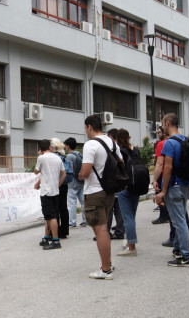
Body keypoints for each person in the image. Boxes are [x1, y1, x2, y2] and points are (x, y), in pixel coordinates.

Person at [79, 115, 121, 279]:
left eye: (85, 128)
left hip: (94, 192)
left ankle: (105, 270)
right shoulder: (112, 142)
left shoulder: (90, 144)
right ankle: (107, 263)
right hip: (109, 191)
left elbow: (85, 171)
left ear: (89, 126)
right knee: (104, 229)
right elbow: (121, 164)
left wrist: (80, 175)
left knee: (101, 230)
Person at [153, 113, 189, 267]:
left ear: (168, 123)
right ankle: (177, 249)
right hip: (185, 185)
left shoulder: (169, 143)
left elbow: (167, 167)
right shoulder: (185, 140)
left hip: (174, 187)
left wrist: (163, 190)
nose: (162, 126)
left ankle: (186, 256)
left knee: (179, 222)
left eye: (163, 123)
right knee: (180, 218)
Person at [34, 139, 66, 250]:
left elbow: (36, 171)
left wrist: (40, 155)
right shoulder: (57, 158)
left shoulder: (41, 158)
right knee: (49, 215)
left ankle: (56, 240)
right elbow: (64, 174)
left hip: (46, 191)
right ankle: (46, 237)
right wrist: (57, 185)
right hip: (55, 191)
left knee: (51, 216)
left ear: (40, 149)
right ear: (50, 147)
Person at [115, 129, 140, 257]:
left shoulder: (120, 151)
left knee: (127, 218)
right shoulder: (136, 150)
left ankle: (131, 248)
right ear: (129, 137)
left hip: (125, 187)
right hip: (137, 185)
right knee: (131, 216)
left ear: (117, 139)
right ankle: (129, 240)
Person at [105, 128, 125, 240]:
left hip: (112, 182)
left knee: (109, 209)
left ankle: (106, 232)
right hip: (121, 181)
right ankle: (120, 231)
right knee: (119, 208)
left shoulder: (111, 149)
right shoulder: (123, 147)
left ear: (111, 137)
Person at [64, 137, 86, 228]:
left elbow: (70, 169)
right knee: (83, 202)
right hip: (81, 181)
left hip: (73, 182)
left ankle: (72, 222)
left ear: (68, 146)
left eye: (65, 145)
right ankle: (85, 220)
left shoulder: (69, 156)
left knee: (72, 203)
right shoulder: (80, 154)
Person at [51, 138, 70, 239]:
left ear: (52, 147)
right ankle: (64, 231)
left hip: (55, 184)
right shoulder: (63, 156)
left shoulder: (52, 157)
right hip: (64, 184)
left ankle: (55, 231)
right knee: (63, 207)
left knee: (55, 208)